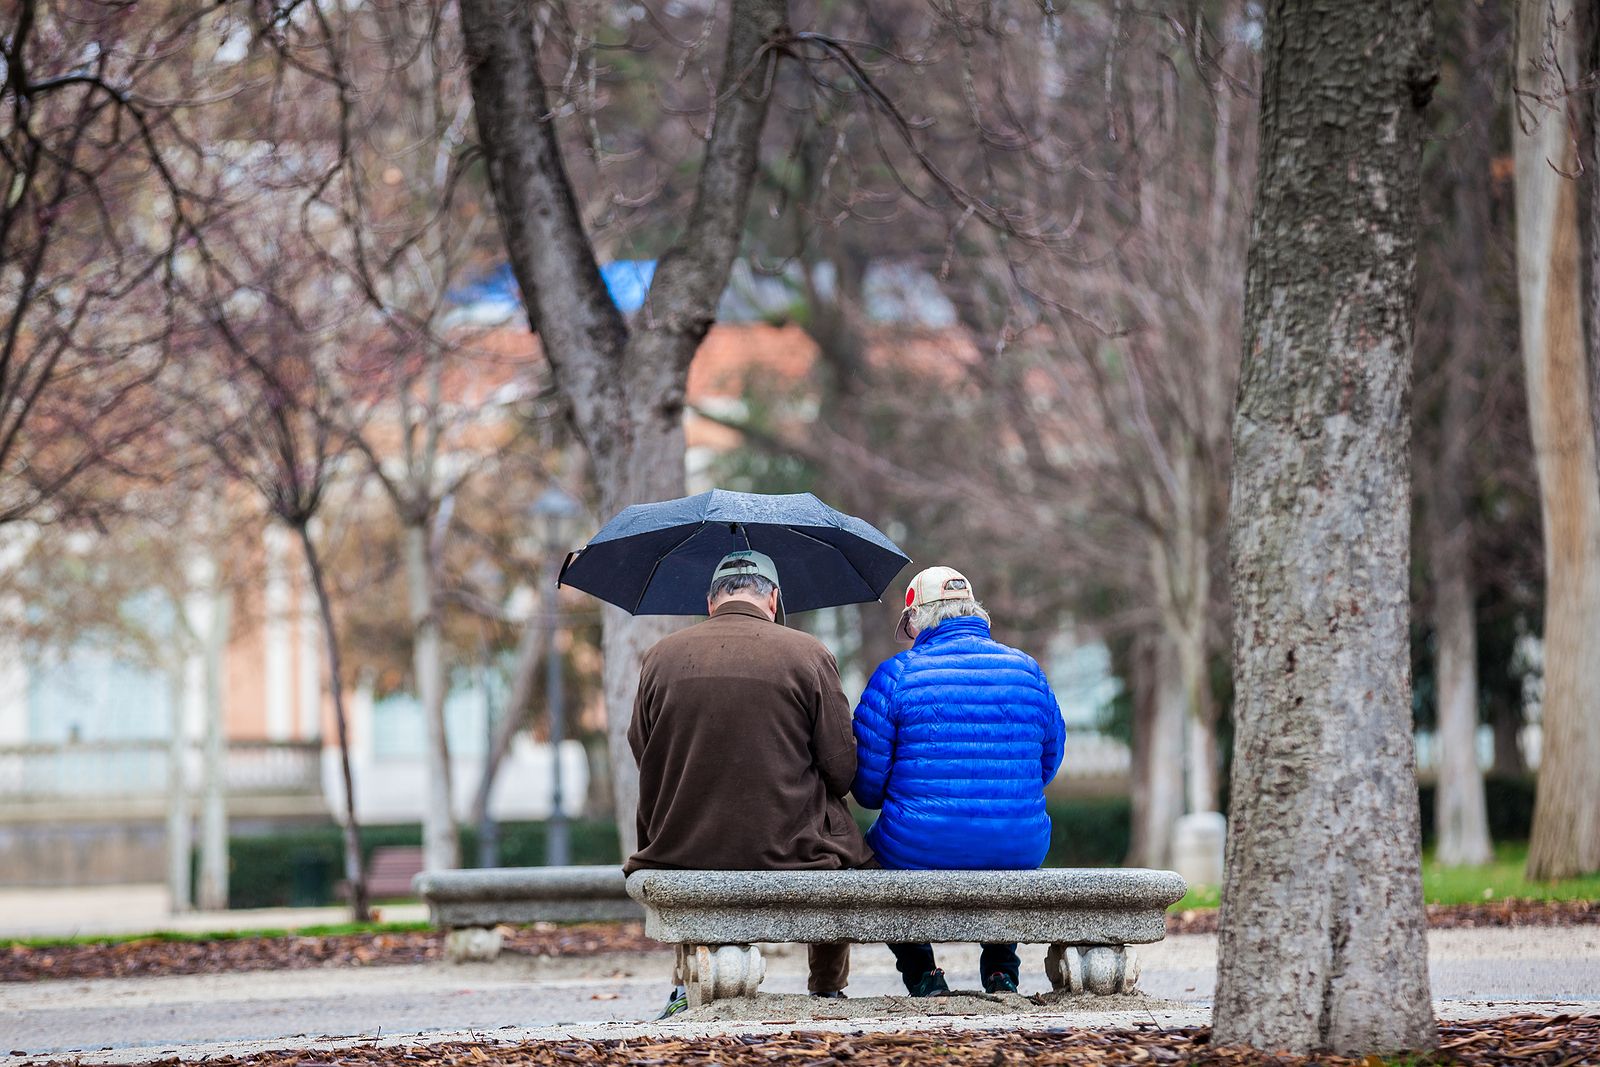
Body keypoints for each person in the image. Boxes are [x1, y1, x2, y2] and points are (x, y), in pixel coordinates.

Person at [626, 548, 872, 1016]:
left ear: (710, 601)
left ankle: (685, 983)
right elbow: (842, 770)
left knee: (680, 813)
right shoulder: (809, 653)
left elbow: (644, 750)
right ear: (774, 598)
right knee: (838, 828)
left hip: (682, 849)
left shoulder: (660, 657)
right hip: (792, 850)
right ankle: (825, 985)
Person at [852, 566, 1066, 996]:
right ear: (974, 612)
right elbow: (1049, 762)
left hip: (917, 845)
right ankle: (1001, 969)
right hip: (1019, 844)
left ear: (917, 619)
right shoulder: (1027, 670)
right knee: (999, 839)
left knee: (877, 857)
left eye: (907, 624)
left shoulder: (896, 675)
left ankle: (923, 974)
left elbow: (868, 787)